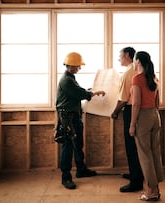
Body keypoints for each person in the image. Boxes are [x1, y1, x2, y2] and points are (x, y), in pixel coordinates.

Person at [56, 52, 106, 190]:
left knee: (78, 144)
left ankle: (81, 169)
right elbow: (80, 94)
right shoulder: (66, 80)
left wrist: (88, 91)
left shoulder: (71, 78)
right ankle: (66, 177)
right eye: (78, 66)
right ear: (71, 65)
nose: (79, 68)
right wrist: (94, 93)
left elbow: (78, 91)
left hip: (74, 116)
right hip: (67, 118)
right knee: (68, 146)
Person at [129, 51, 163, 201]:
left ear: (138, 62)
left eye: (134, 61)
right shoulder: (153, 78)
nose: (134, 64)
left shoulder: (137, 79)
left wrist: (132, 125)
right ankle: (156, 188)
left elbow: (136, 104)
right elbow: (157, 102)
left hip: (143, 117)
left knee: (145, 155)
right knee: (155, 152)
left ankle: (151, 192)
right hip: (155, 116)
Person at [111, 47, 144, 192]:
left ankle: (136, 182)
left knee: (131, 146)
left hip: (131, 110)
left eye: (120, 55)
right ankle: (136, 174)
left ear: (127, 55)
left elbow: (124, 99)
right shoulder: (139, 69)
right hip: (143, 112)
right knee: (137, 146)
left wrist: (115, 112)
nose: (119, 58)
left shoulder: (128, 73)